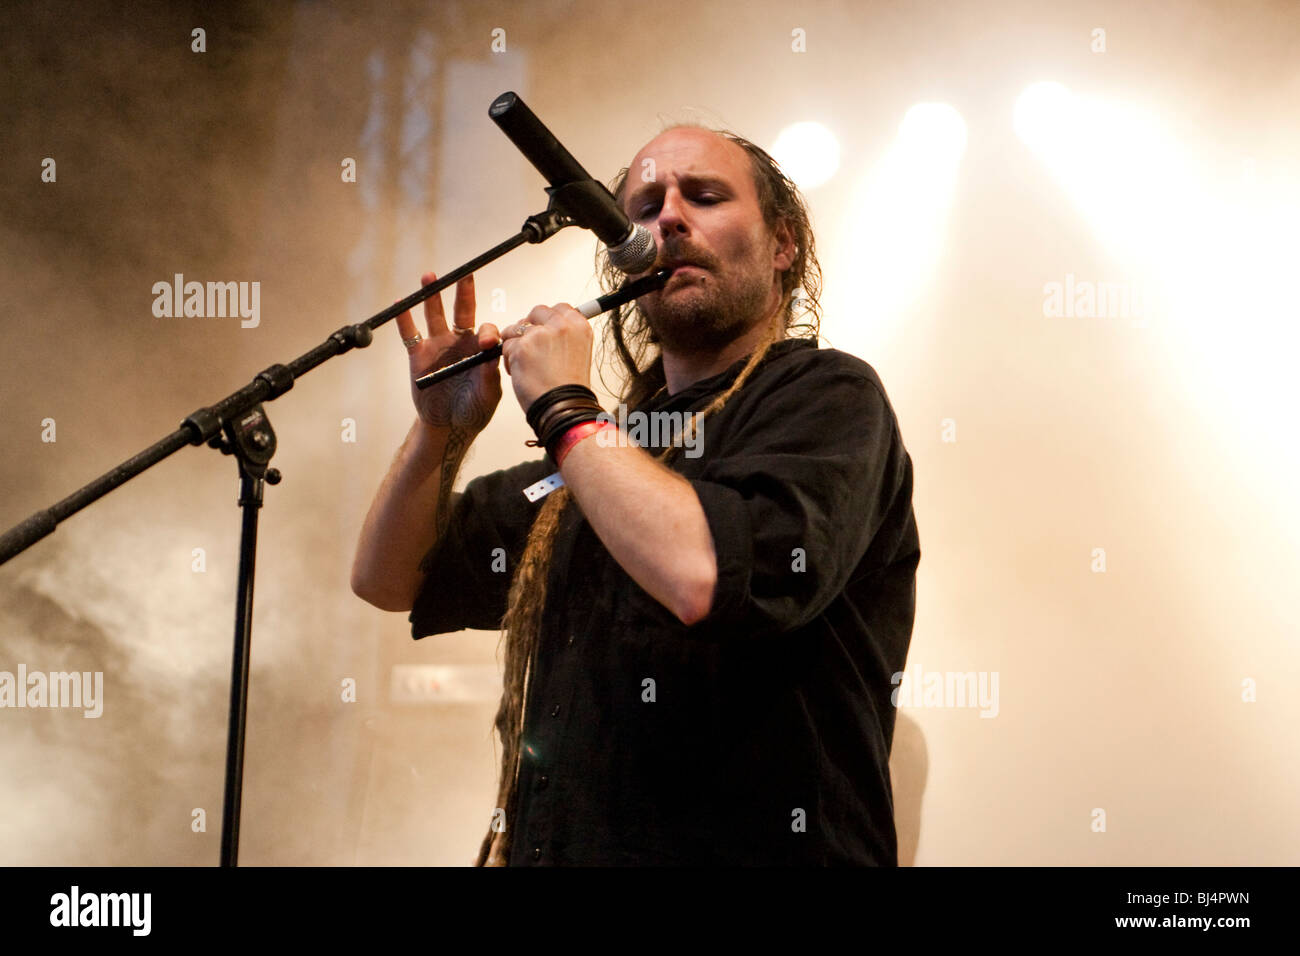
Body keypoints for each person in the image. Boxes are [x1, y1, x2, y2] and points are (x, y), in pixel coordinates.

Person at [351, 124, 921, 866]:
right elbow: (389, 580)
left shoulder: (829, 397)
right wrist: (438, 435)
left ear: (783, 246)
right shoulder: (603, 453)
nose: (668, 220)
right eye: (645, 206)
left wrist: (563, 406)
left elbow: (702, 575)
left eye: (705, 196)